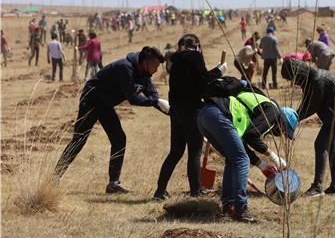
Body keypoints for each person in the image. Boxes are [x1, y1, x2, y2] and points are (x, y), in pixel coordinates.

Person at [54, 47, 169, 193]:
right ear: (145, 62)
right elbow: (133, 98)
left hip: (105, 104)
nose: (157, 70)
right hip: (91, 100)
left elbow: (152, 95)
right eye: (156, 66)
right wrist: (155, 102)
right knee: (79, 140)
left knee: (119, 139)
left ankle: (113, 183)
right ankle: (54, 177)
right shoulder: (125, 68)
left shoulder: (144, 74)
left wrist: (169, 110)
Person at [197, 83, 298, 221]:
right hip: (218, 115)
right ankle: (241, 209)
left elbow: (243, 142)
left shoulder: (263, 110)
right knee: (241, 160)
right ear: (283, 121)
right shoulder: (273, 112)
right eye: (285, 130)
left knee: (233, 158)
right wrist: (274, 157)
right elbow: (252, 137)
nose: (281, 134)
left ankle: (229, 205)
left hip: (205, 116)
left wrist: (262, 165)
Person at [154, 34, 226, 200]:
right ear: (198, 46)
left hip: (176, 110)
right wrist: (219, 71)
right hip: (192, 110)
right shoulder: (195, 57)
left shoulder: (175, 59)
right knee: (194, 152)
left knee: (175, 152)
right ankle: (196, 191)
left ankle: (160, 191)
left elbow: (194, 79)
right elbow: (203, 81)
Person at [281, 58, 335, 197]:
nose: (293, 82)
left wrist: (293, 118)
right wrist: (294, 115)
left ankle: (317, 187)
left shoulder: (316, 80)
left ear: (298, 73)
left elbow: (312, 105)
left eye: (292, 78)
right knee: (331, 145)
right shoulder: (309, 79)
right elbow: (307, 101)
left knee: (320, 144)